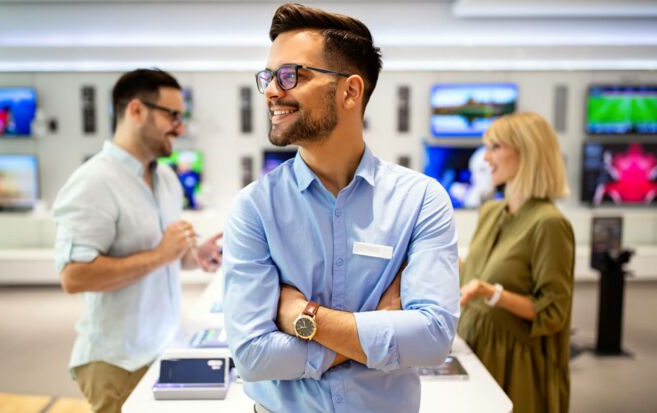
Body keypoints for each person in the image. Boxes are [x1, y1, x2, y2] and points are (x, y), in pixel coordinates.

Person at [222, 4, 459, 413]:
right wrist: (373, 333)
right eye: (269, 77)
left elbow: (433, 338)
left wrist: (304, 315)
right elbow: (253, 357)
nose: (272, 91)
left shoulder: (420, 200)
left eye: (291, 75)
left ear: (350, 90)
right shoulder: (255, 207)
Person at [52, 68, 222, 413]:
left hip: (164, 349)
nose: (180, 127)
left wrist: (194, 254)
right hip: (117, 364)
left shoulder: (168, 179)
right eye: (172, 115)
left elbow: (168, 254)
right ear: (136, 111)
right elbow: (74, 277)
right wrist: (161, 255)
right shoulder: (93, 181)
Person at [457, 112, 575, 413]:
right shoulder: (492, 212)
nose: (486, 157)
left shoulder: (549, 224)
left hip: (518, 364)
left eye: (495, 147)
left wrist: (492, 293)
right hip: (475, 347)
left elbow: (552, 312)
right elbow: (473, 276)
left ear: (528, 152)